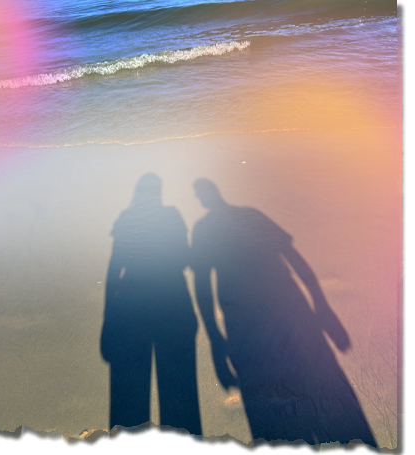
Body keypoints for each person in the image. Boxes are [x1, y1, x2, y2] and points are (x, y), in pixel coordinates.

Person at [191, 178, 376, 447]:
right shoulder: (244, 217)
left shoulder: (207, 228)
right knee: (307, 380)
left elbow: (202, 285)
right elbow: (292, 256)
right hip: (277, 308)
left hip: (263, 314)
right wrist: (320, 304)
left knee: (281, 396)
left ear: (203, 198)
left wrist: (214, 338)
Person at [101, 174, 200, 436]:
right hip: (172, 299)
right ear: (159, 194)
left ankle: (133, 439)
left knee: (133, 380)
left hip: (133, 302)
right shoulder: (173, 215)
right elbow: (185, 258)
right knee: (176, 381)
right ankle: (181, 441)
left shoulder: (126, 218)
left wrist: (107, 319)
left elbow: (114, 269)